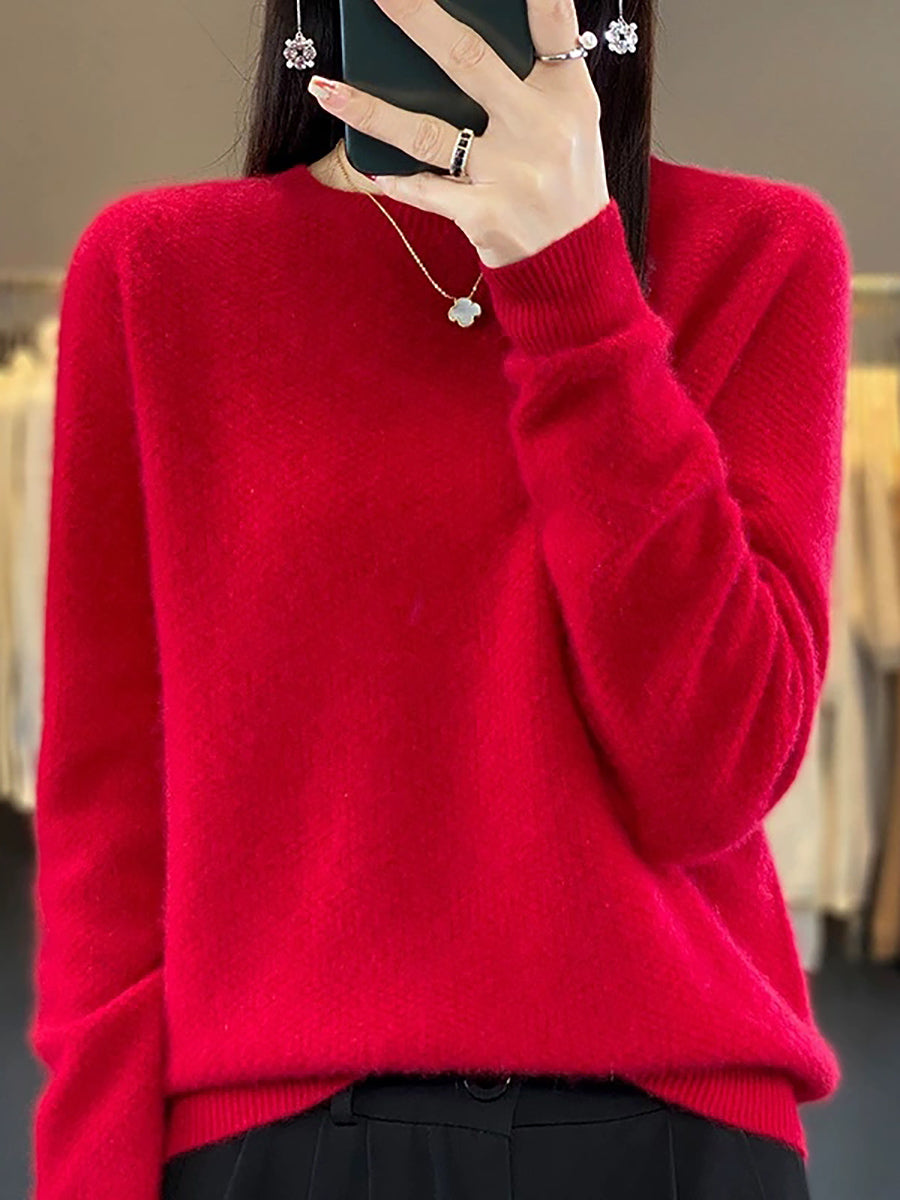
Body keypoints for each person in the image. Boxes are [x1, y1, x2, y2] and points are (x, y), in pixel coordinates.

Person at [28, 1, 853, 1198]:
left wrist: (576, 290)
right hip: (280, 1136)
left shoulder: (760, 254)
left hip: (672, 1130)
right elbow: (107, 815)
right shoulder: (158, 273)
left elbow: (712, 774)